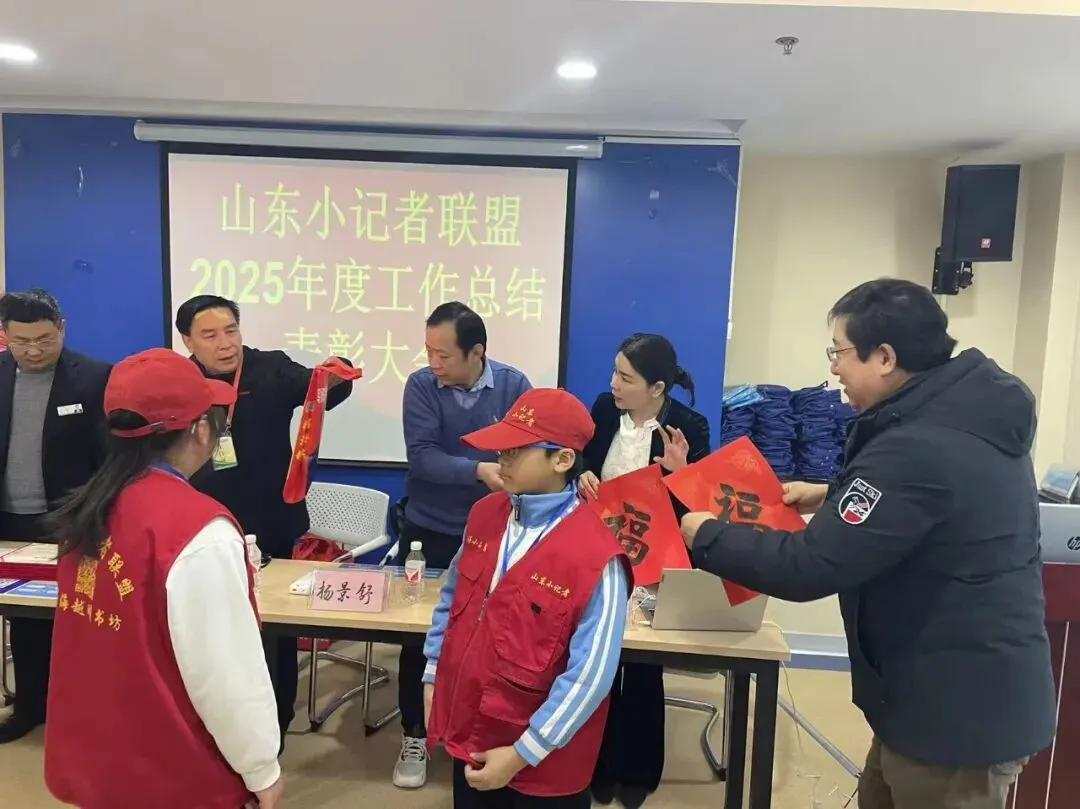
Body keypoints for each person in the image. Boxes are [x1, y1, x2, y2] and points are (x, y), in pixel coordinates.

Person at [680, 279, 1056, 809]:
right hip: (933, 691)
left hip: (958, 717)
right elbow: (920, 507)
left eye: (839, 351)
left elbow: (809, 566)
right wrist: (830, 494)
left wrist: (707, 536)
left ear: (884, 357)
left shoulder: (917, 446)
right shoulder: (957, 416)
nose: (834, 368)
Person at [43, 347, 283, 809]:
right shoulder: (198, 530)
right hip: (174, 773)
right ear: (200, 429)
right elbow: (226, 676)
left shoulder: (87, 508)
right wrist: (261, 768)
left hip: (100, 763)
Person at [423, 387, 632, 809]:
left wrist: (523, 752)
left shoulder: (597, 556)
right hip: (473, 733)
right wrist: (433, 677)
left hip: (542, 758)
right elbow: (451, 598)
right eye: (502, 446)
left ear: (563, 459)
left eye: (517, 449)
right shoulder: (485, 514)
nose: (502, 457)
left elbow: (591, 675)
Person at [176, 294, 355, 750]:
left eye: (231, 330)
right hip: (200, 524)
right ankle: (212, 717)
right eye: (210, 335)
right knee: (209, 622)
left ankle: (276, 720)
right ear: (188, 341)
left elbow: (321, 388)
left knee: (273, 627)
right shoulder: (177, 381)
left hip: (270, 521)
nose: (225, 343)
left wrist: (337, 373)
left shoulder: (270, 368)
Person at [394, 301, 531, 789]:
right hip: (429, 529)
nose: (433, 363)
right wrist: (479, 470)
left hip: (493, 535)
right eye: (428, 352)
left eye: (444, 355)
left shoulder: (513, 386)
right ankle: (415, 732)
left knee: (488, 639)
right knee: (419, 636)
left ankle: (479, 735)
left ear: (477, 352)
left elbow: (530, 450)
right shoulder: (420, 386)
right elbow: (422, 458)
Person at [578, 333, 711, 808]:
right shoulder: (602, 409)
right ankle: (598, 763)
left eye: (625, 377)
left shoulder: (688, 425)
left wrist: (680, 470)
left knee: (642, 665)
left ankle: (638, 769)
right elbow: (580, 458)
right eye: (614, 372)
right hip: (598, 551)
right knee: (594, 657)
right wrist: (581, 473)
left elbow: (699, 507)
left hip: (656, 558)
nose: (613, 384)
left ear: (656, 388)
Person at [0, 289, 110, 744]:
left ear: (61, 329)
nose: (33, 350)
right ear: (5, 335)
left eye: (44, 339)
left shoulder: (96, 377)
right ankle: (30, 706)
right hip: (10, 520)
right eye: (21, 341)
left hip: (69, 521)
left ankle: (83, 708)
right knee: (25, 618)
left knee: (81, 614)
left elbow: (107, 458)